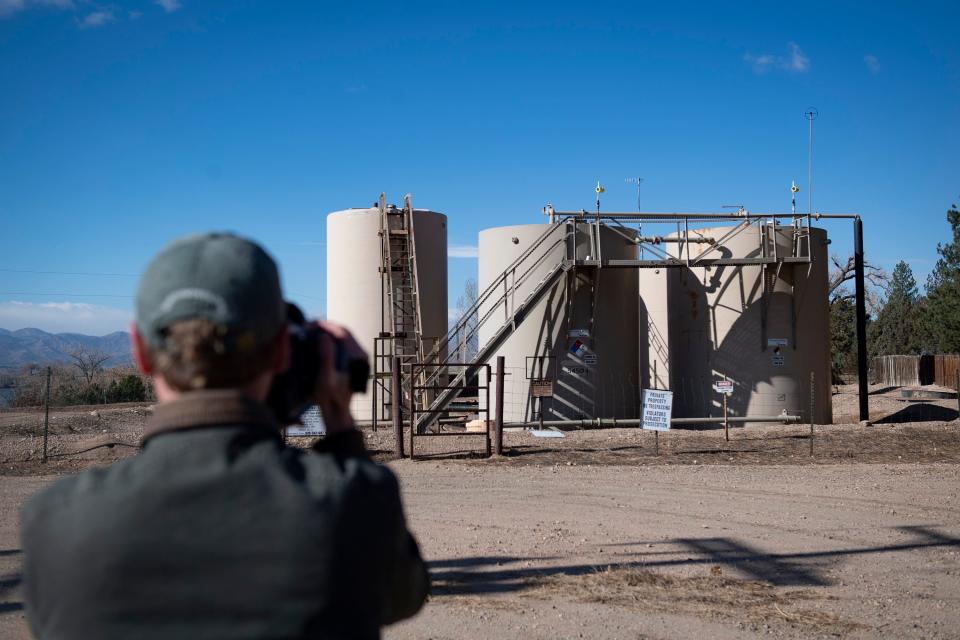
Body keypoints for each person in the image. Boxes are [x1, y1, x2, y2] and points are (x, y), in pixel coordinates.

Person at [20, 232, 429, 639]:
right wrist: (339, 422)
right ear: (284, 350)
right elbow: (401, 597)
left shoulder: (54, 522)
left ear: (139, 352)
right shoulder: (353, 500)